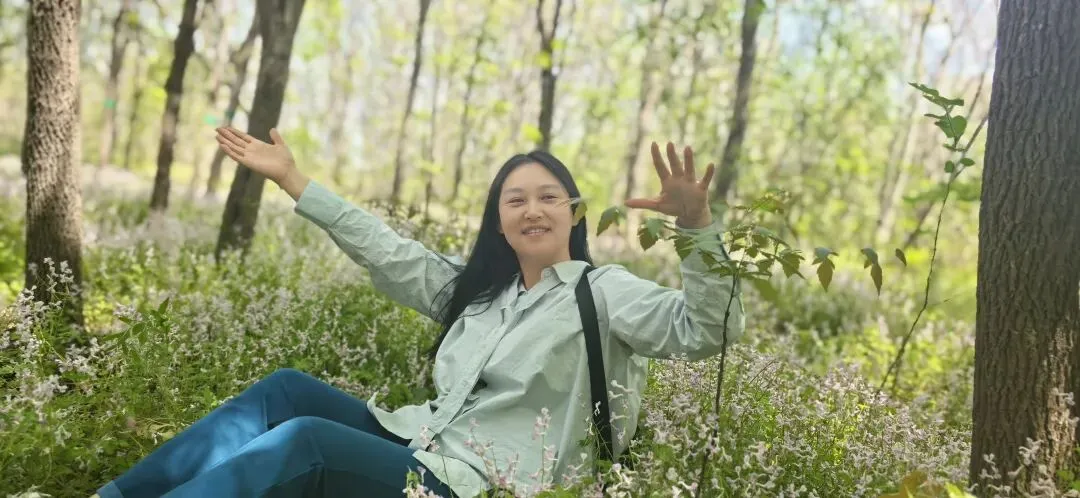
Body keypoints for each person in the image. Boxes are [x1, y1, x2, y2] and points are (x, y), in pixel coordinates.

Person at [93, 127, 746, 498]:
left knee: (306, 443)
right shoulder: (482, 291)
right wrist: (294, 180)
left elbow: (705, 328)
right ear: (499, 221)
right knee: (285, 393)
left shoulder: (603, 292)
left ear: (574, 214)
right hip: (424, 447)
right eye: (515, 199)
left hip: (480, 486)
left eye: (549, 197)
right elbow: (387, 250)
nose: (532, 209)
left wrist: (697, 226)